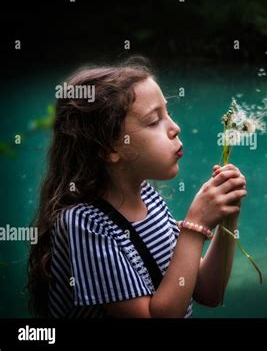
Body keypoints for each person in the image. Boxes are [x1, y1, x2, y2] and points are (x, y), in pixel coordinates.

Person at [27, 58, 247, 318]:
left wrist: (226, 219)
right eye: (154, 121)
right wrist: (195, 225)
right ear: (110, 148)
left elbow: (208, 292)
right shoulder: (85, 224)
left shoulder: (148, 198)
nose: (175, 128)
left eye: (168, 113)